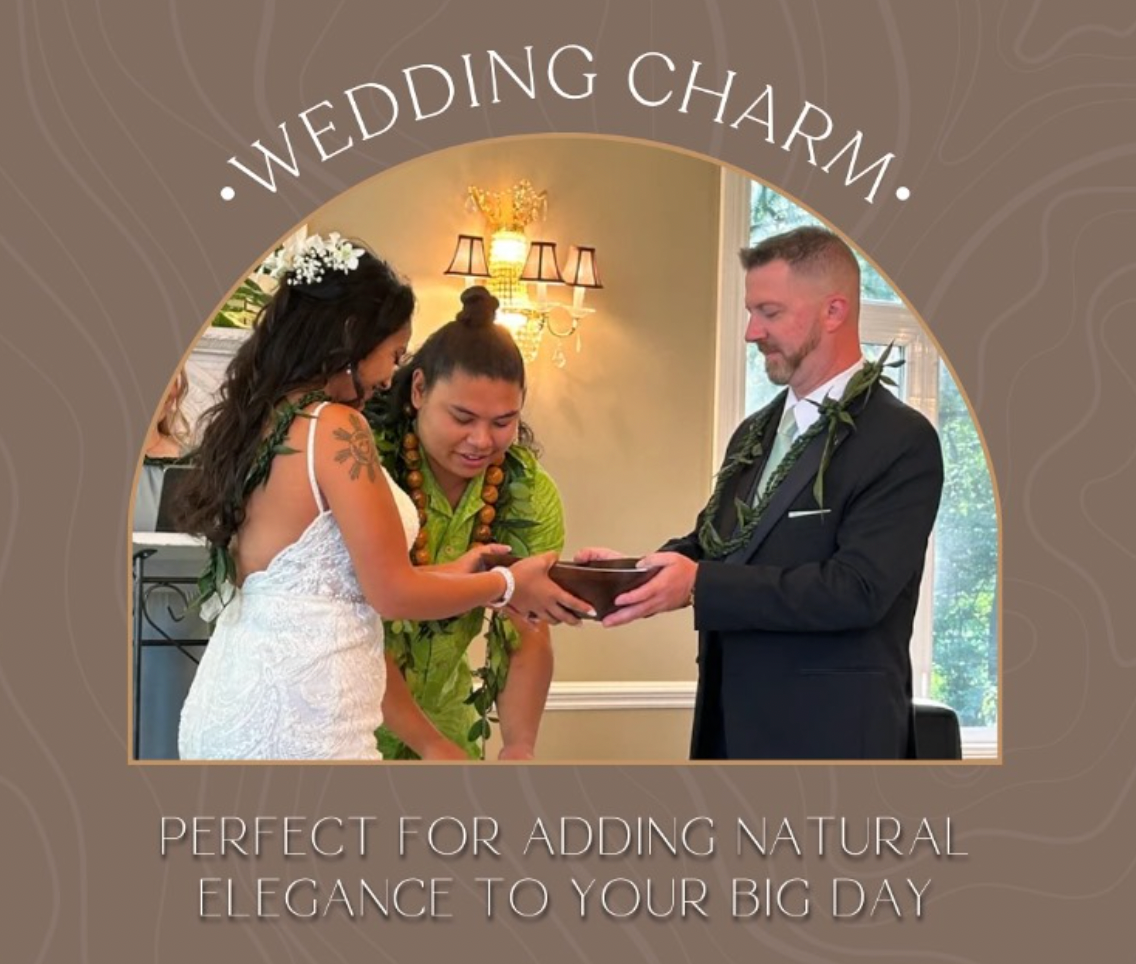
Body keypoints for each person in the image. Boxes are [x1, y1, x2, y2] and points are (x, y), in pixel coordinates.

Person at [175, 234, 588, 760]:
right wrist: (506, 583)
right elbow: (389, 594)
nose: (389, 374)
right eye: (392, 355)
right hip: (303, 717)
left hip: (233, 702)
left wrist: (462, 572)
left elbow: (330, 583)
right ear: (351, 337)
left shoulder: (263, 422)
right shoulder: (336, 425)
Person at [580, 226, 944, 760]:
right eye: (751, 313)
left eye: (770, 313)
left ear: (834, 311)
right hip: (728, 728)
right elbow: (719, 544)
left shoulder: (901, 439)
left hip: (834, 739)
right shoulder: (754, 431)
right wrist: (636, 574)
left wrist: (701, 585)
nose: (752, 332)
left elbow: (857, 589)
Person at [366, 287, 563, 761]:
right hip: (351, 720)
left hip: (450, 723)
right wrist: (428, 746)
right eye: (462, 417)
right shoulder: (363, 468)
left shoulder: (531, 493)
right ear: (417, 391)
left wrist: (520, 745)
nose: (481, 441)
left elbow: (527, 630)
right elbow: (358, 626)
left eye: (503, 422)